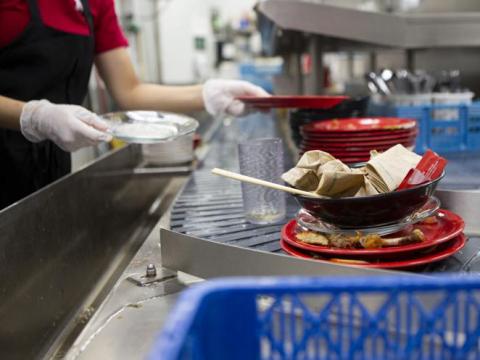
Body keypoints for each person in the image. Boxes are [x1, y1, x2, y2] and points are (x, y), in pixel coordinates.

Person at [0, 0, 268, 209]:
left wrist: (210, 95)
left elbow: (130, 91)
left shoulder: (95, 4)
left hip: (50, 163)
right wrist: (32, 116)